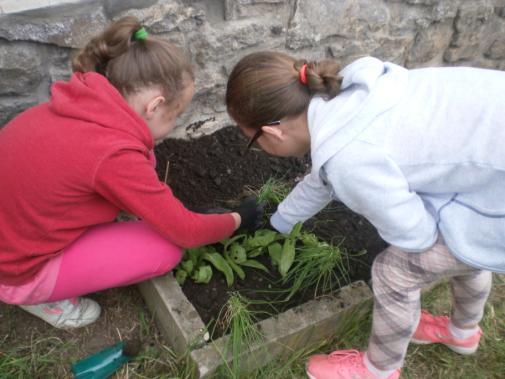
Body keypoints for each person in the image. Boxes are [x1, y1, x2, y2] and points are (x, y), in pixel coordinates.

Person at [225, 51, 504, 379]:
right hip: (487, 170)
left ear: (272, 132)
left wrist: (428, 218)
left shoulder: (351, 158)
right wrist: (280, 222)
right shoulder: (349, 96)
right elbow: (324, 177)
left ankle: (378, 370)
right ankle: (463, 332)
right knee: (461, 244)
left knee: (395, 271)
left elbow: (416, 235)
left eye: (253, 142)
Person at [0, 17, 263, 330]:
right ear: (154, 106)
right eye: (175, 116)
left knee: (145, 155)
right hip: (16, 269)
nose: (173, 126)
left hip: (14, 227)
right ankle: (42, 298)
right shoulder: (114, 155)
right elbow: (186, 232)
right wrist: (236, 220)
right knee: (165, 250)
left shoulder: (79, 103)